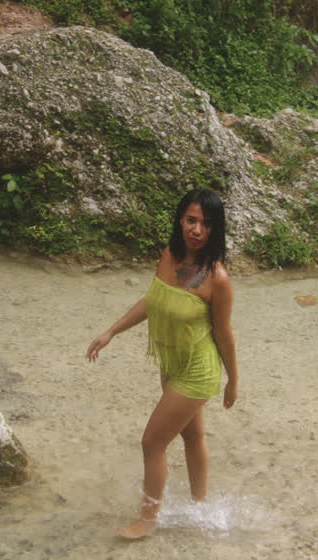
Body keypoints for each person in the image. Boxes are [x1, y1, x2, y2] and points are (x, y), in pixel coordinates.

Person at [86, 188, 239, 539]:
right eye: (191, 220)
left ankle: (148, 518)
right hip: (171, 364)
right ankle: (201, 507)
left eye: (206, 224)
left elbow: (225, 334)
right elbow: (153, 300)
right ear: (180, 220)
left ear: (217, 230)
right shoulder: (169, 256)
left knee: (152, 443)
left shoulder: (217, 279)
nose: (197, 230)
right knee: (194, 435)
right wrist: (112, 332)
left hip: (198, 371)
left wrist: (232, 381)